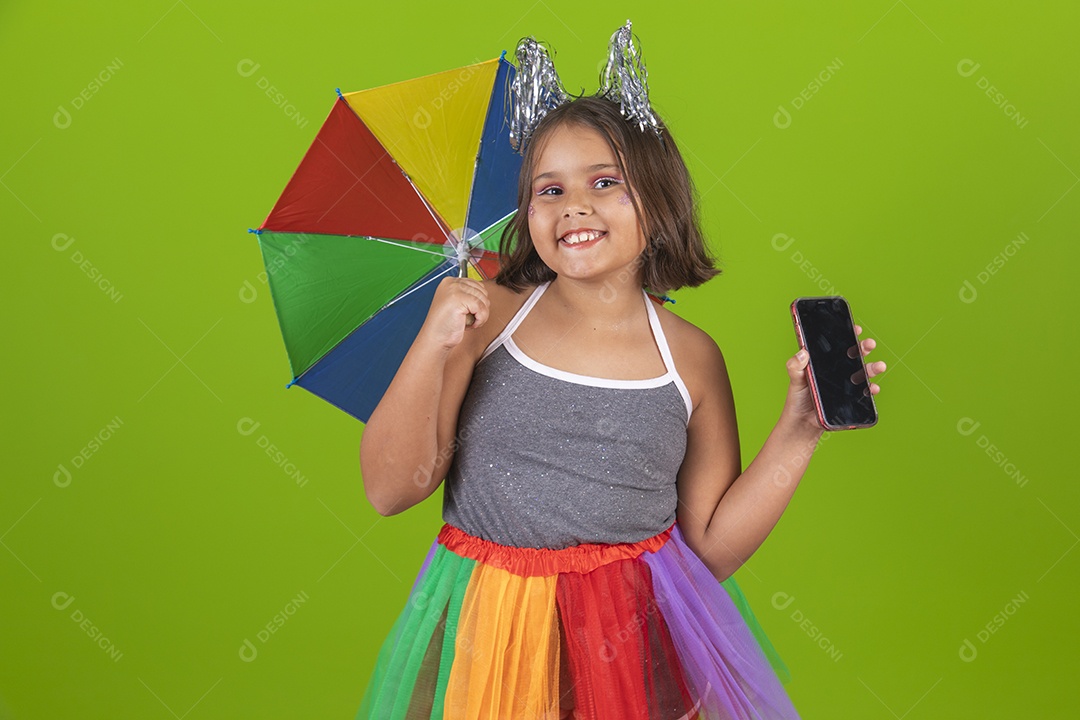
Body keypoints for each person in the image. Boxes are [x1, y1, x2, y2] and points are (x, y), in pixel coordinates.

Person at [356, 23, 885, 720]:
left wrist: (800, 431)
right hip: (491, 638)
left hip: (630, 649)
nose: (574, 205)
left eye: (605, 182)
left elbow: (709, 551)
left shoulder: (690, 359)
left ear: (659, 203)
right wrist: (431, 342)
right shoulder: (486, 318)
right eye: (549, 189)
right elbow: (391, 489)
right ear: (526, 210)